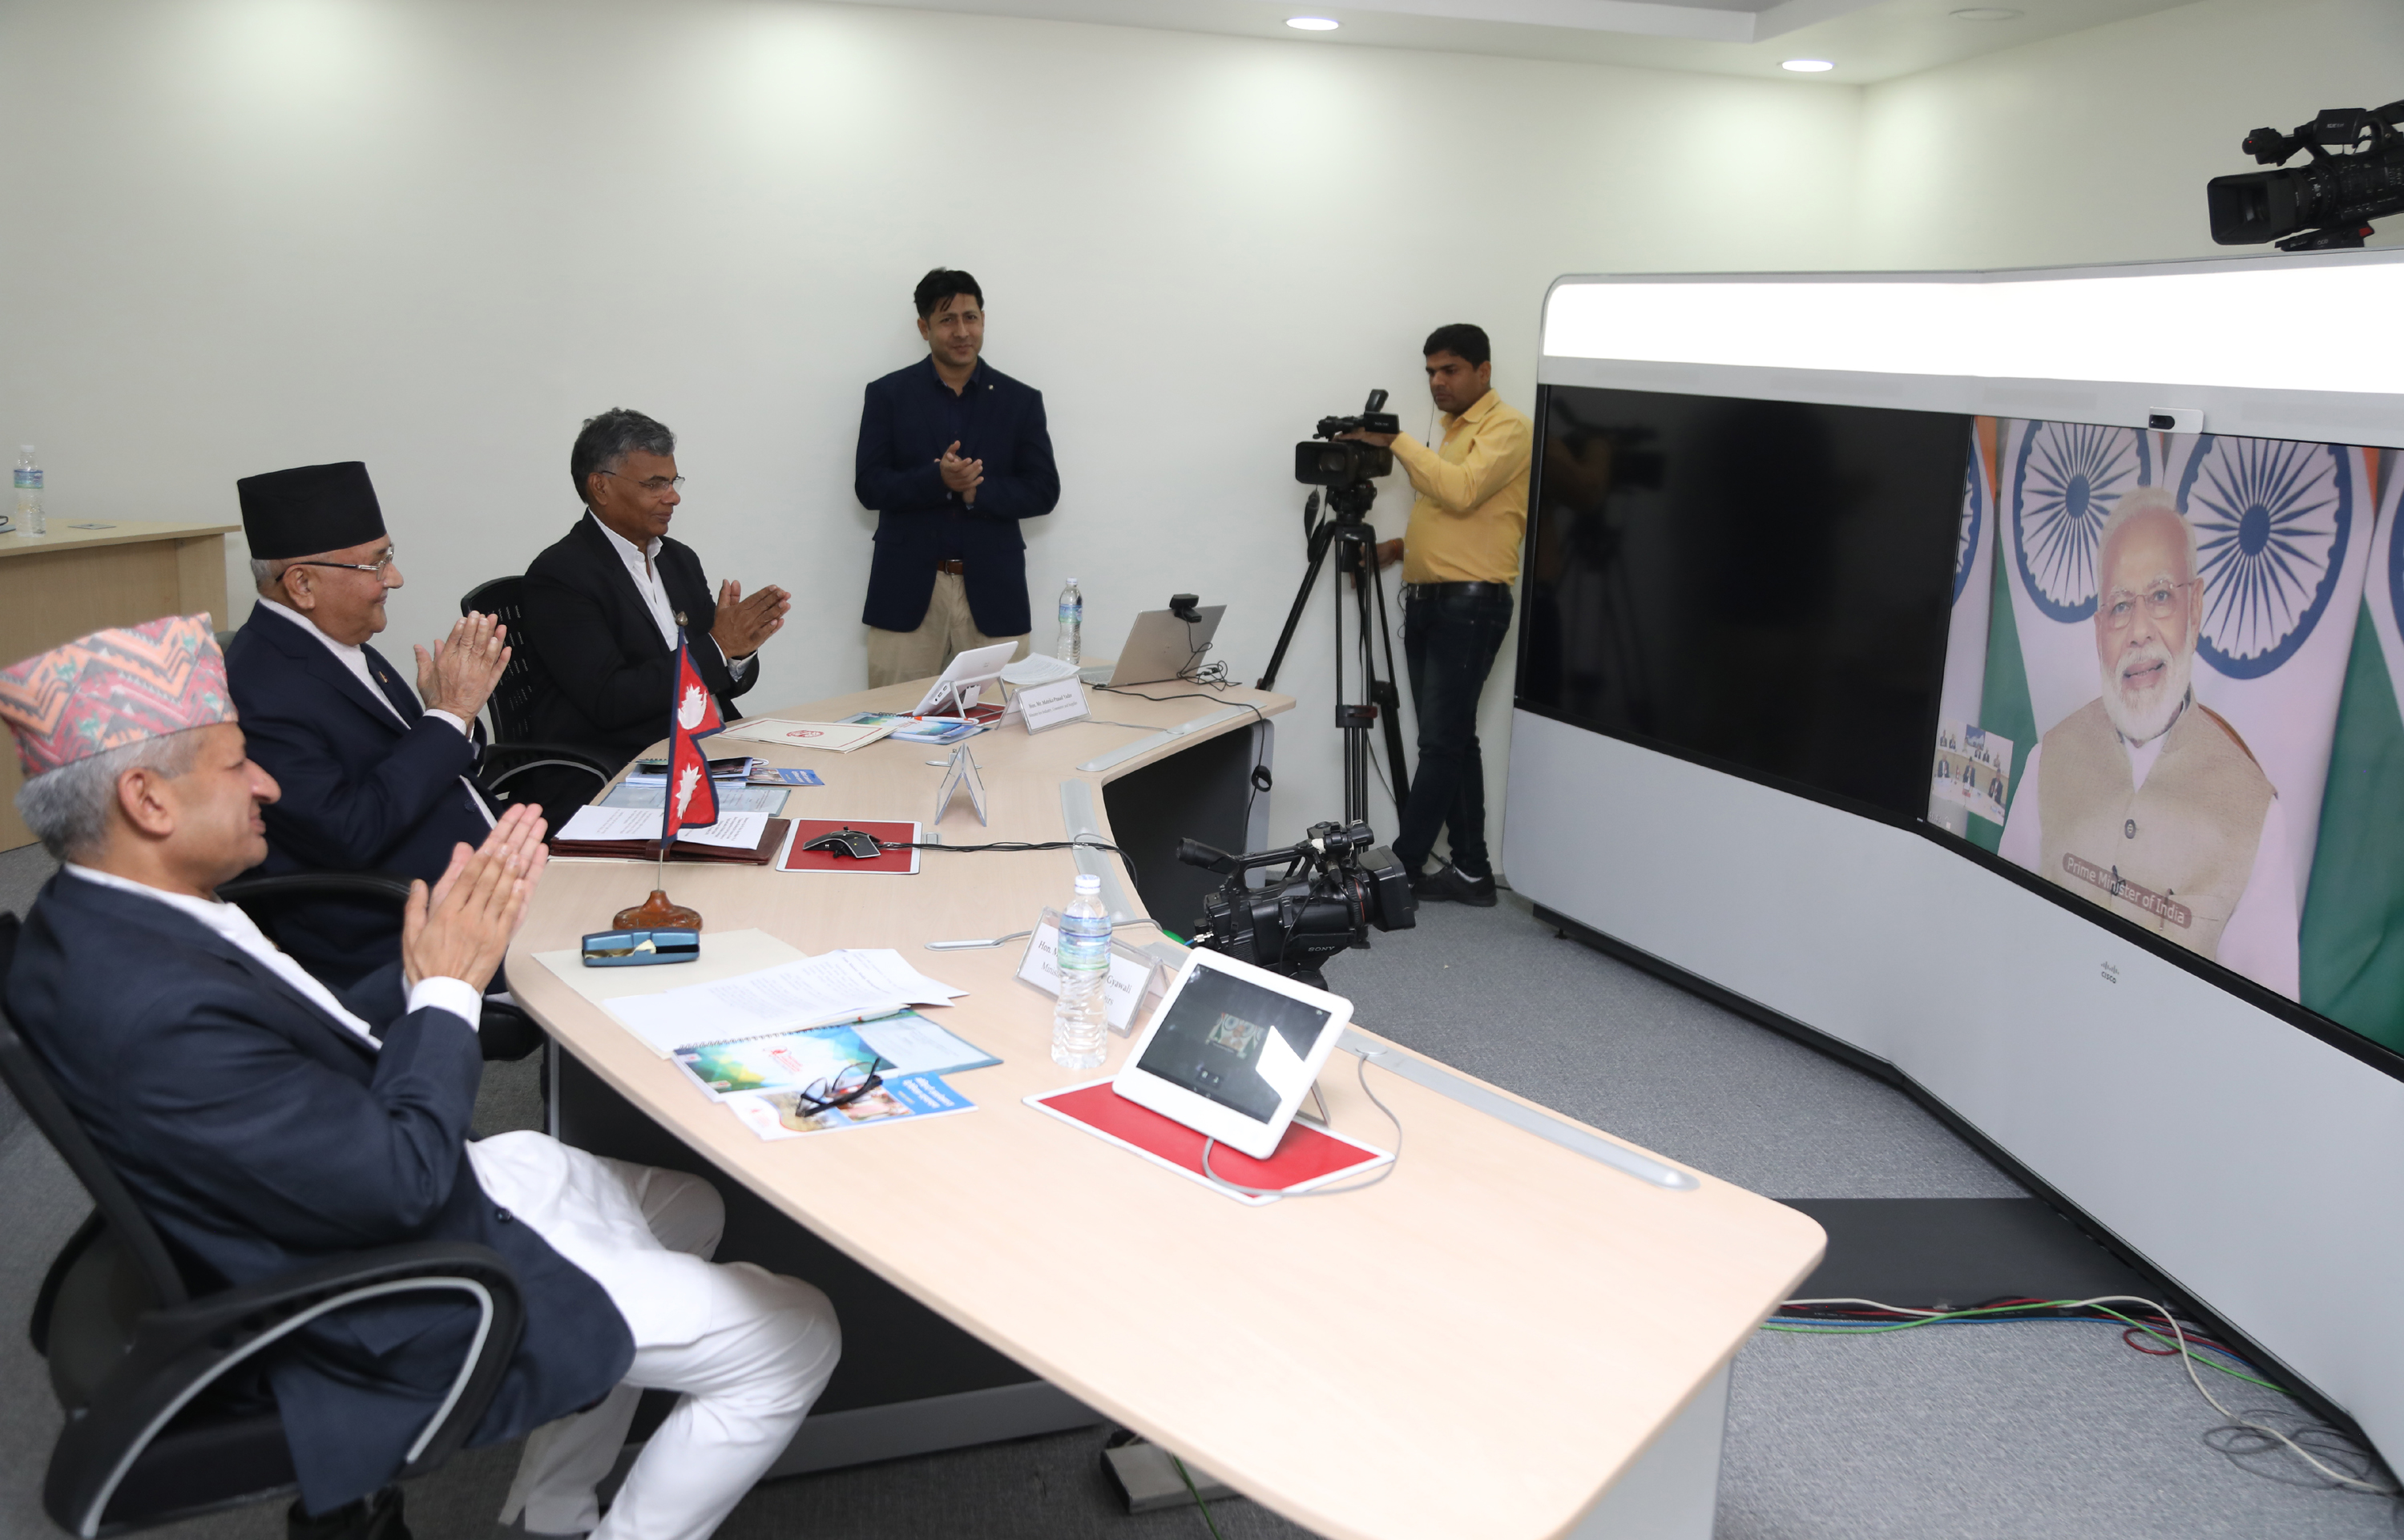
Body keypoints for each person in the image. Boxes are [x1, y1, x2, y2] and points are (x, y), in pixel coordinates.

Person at [2, 615, 840, 1540]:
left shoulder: (106, 917)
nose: (268, 784)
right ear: (147, 799)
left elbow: (291, 1037)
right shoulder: (152, 1004)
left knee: (688, 1206)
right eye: (238, 764)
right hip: (401, 1280)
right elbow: (402, 1183)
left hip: (358, 1179)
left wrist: (426, 960)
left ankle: (552, 1506)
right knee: (797, 1335)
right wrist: (448, 988)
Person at [223, 461, 514, 990]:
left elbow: (422, 768)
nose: (394, 579)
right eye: (376, 565)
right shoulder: (260, 690)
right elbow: (349, 833)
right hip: (401, 931)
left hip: (484, 886)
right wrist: (448, 715)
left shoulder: (340, 642)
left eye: (389, 557)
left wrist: (451, 718)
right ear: (303, 583)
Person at [1999, 487, 2297, 996]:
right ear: (2099, 632)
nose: (2138, 631)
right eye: (2120, 606)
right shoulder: (2047, 759)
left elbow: (2262, 1025)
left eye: (2160, 597)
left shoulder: (2258, 817)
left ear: (2194, 608)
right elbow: (2003, 935)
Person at [1343, 323, 1533, 906]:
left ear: (1483, 371)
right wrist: (1399, 548)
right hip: (1432, 601)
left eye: (1449, 370)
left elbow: (1461, 491)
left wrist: (1396, 441)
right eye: (1430, 372)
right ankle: (1473, 872)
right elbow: (1460, 523)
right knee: (1451, 740)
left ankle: (1399, 872)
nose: (1437, 382)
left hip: (1470, 607)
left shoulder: (1508, 428)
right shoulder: (1452, 433)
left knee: (1441, 744)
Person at [522, 409, 789, 783]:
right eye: (655, 484)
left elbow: (726, 681)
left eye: (673, 481)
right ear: (601, 487)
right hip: (628, 765)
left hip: (713, 747)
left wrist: (738, 651)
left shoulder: (679, 560)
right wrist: (718, 645)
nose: (673, 497)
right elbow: (610, 701)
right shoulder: (561, 575)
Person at [854, 268, 1059, 687]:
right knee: (895, 716)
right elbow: (869, 485)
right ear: (924, 327)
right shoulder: (888, 395)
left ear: (983, 320)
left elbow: (1043, 491)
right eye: (947, 320)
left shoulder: (1020, 400)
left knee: (1002, 718)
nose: (962, 331)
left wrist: (973, 492)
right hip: (906, 592)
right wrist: (937, 479)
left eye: (971, 317)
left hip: (995, 593)